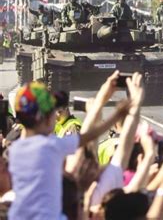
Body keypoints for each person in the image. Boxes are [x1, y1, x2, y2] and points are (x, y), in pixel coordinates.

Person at [7, 79, 130, 219]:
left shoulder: (13, 149)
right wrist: (117, 115)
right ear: (45, 119)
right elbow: (90, 135)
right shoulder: (50, 146)